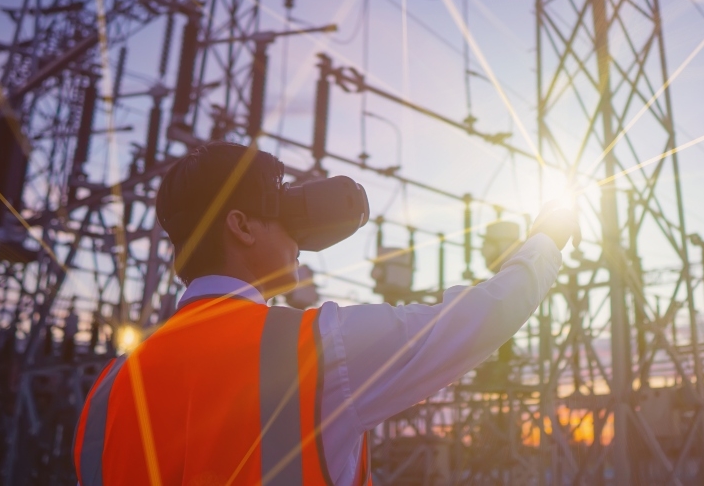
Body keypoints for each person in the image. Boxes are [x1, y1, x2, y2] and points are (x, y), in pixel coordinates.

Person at [73, 142, 574, 485]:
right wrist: (546, 240)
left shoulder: (110, 388)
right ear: (241, 226)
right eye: (283, 209)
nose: (298, 238)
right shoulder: (314, 350)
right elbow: (484, 316)